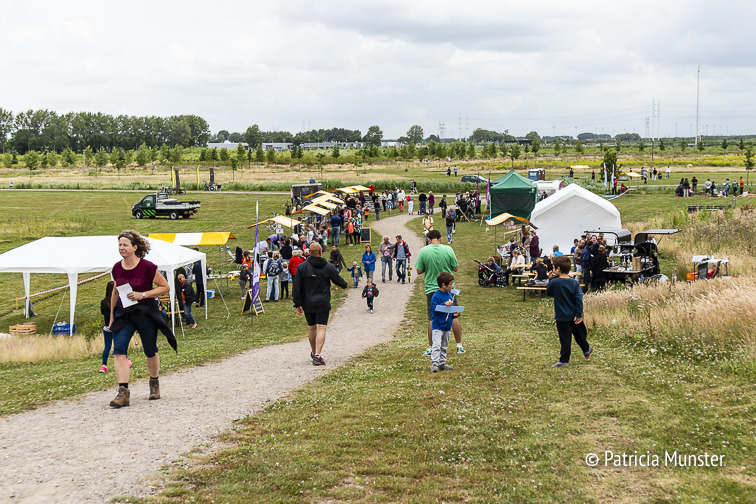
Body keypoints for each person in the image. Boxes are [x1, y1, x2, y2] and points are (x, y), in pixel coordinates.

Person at [108, 230, 174, 408]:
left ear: (135, 247)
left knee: (150, 350)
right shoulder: (117, 268)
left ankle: (154, 382)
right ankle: (123, 392)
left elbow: (164, 287)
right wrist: (112, 315)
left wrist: (142, 294)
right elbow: (115, 292)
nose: (121, 248)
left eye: (125, 245)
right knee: (119, 351)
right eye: (120, 245)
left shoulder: (148, 267)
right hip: (125, 315)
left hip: (145, 313)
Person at [292, 242, 347, 366]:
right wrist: (344, 284)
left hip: (308, 302)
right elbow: (339, 280)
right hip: (322, 302)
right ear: (320, 252)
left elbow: (296, 287)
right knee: (321, 328)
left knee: (312, 328)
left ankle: (313, 352)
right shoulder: (328, 267)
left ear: (309, 252)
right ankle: (317, 355)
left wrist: (297, 303)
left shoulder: (302, 267)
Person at [415, 230, 465, 355]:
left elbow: (419, 270)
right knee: (454, 315)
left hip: (432, 288)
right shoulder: (448, 249)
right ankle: (459, 346)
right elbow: (456, 268)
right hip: (449, 288)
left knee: (433, 318)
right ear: (440, 239)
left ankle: (431, 347)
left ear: (428, 239)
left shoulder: (424, 251)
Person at [546, 256, 593, 368]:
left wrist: (550, 279)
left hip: (562, 316)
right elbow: (578, 299)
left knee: (565, 339)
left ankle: (564, 360)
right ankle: (586, 349)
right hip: (574, 315)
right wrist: (579, 313)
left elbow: (548, 293)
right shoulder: (574, 283)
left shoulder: (555, 282)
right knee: (580, 335)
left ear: (558, 268)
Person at [429, 272, 456, 373]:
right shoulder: (436, 296)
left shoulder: (449, 295)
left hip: (447, 325)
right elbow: (434, 309)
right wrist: (444, 304)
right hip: (438, 325)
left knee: (444, 345)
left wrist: (454, 313)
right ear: (444, 285)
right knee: (437, 344)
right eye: (451, 284)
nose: (452, 286)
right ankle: (434, 363)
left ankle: (442, 363)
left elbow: (449, 310)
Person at [99, 281, 122, 373]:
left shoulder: (103, 302)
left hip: (107, 327)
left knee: (107, 346)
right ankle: (124, 361)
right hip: (116, 326)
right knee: (120, 345)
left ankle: (103, 365)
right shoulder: (117, 301)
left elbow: (102, 312)